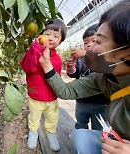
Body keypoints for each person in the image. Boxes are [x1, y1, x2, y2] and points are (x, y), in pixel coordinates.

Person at [39, 0, 130, 153]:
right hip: (116, 143)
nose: (90, 48)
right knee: (79, 135)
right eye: (87, 42)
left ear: (127, 54)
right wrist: (47, 65)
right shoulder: (102, 78)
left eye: (98, 41)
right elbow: (66, 91)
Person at [20, 18, 67, 151]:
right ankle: (33, 133)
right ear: (41, 35)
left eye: (56, 36)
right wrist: (36, 48)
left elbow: (57, 78)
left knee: (52, 118)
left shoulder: (58, 58)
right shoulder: (34, 52)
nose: (51, 38)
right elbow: (27, 67)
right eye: (47, 34)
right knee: (34, 117)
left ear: (61, 41)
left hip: (51, 97)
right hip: (36, 96)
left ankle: (51, 134)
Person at [66, 24, 109, 130]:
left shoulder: (106, 58)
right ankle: (80, 139)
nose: (89, 45)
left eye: (94, 41)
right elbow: (74, 74)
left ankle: (97, 144)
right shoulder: (81, 60)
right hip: (82, 101)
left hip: (101, 104)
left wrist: (86, 54)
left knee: (99, 129)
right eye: (86, 42)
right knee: (80, 123)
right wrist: (70, 67)